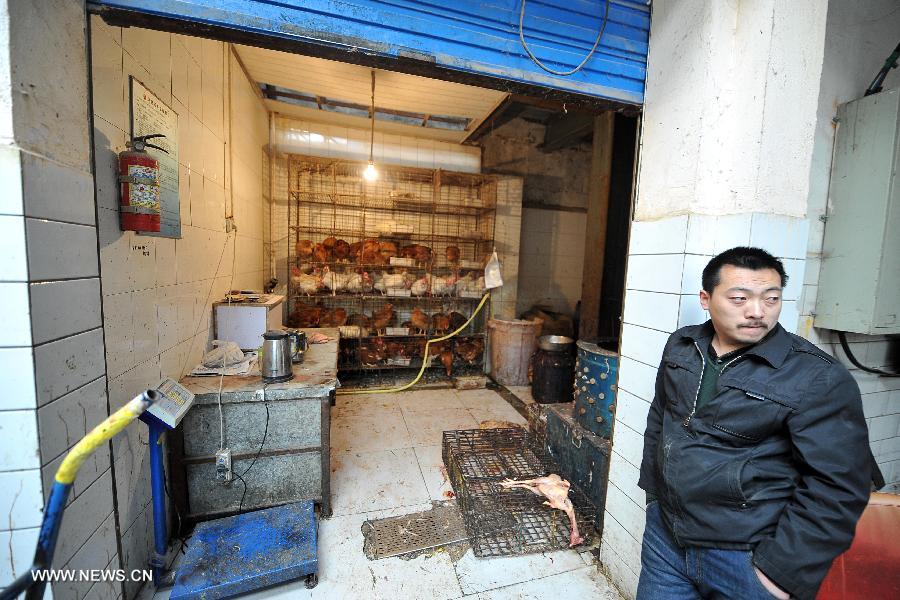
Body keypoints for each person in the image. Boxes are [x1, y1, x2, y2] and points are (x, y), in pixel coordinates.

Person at [637, 247, 872, 600]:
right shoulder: (682, 346)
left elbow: (839, 485)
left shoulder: (816, 376)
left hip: (744, 552)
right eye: (739, 298)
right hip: (666, 538)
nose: (757, 311)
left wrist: (781, 573)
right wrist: (654, 496)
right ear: (706, 298)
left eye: (771, 298)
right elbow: (662, 417)